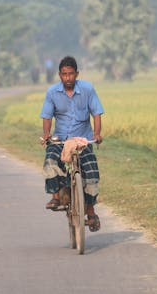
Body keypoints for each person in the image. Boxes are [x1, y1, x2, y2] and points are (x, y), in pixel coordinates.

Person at [40, 56, 104, 232]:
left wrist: (97, 134)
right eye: (64, 74)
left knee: (91, 174)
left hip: (83, 140)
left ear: (77, 74)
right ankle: (56, 196)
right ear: (59, 75)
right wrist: (47, 134)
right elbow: (47, 116)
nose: (68, 78)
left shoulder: (87, 89)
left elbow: (96, 113)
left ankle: (90, 211)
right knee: (51, 161)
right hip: (61, 139)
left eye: (71, 74)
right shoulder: (52, 92)